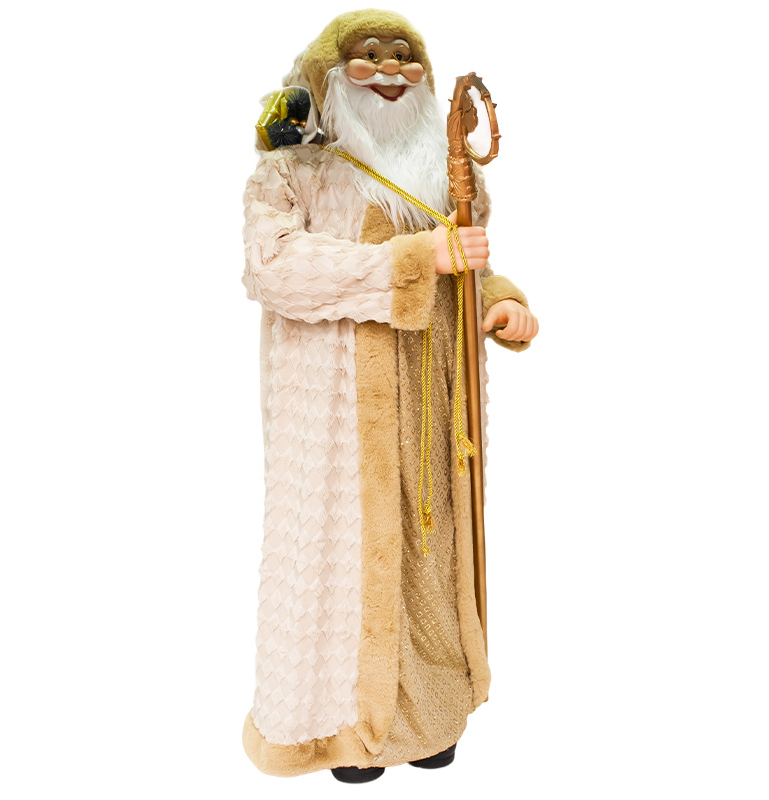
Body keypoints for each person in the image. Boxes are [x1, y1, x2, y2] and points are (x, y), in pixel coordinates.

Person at [240, 9, 538, 783]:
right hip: (336, 414)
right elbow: (273, 269)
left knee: (430, 555)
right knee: (342, 566)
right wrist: (412, 261)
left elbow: (463, 270)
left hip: (434, 407)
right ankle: (342, 734)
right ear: (329, 74)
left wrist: (497, 301)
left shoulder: (446, 172)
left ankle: (428, 720)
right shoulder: (292, 172)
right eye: (369, 55)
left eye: (405, 56)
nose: (391, 70)